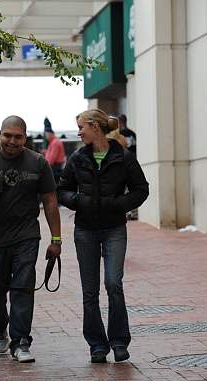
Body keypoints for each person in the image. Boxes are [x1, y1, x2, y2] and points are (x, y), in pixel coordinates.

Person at [0, 115, 62, 363]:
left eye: (18, 136)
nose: (12, 141)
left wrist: (56, 239)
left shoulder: (38, 163)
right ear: (0, 134)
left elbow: (50, 201)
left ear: (25, 137)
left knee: (23, 287)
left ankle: (21, 342)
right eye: (8, 135)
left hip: (27, 236)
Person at [57, 108, 149, 364]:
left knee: (113, 283)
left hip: (114, 229)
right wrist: (79, 201)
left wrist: (119, 204)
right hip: (85, 230)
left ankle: (119, 342)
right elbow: (62, 190)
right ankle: (97, 346)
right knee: (90, 292)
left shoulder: (123, 157)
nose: (79, 132)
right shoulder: (77, 158)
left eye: (81, 127)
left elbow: (141, 189)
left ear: (95, 127)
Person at [42, 117, 66, 184]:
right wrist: (46, 152)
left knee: (52, 186)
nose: (46, 136)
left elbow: (51, 159)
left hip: (55, 168)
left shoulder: (55, 142)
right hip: (55, 167)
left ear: (50, 134)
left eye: (46, 134)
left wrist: (44, 167)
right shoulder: (53, 142)